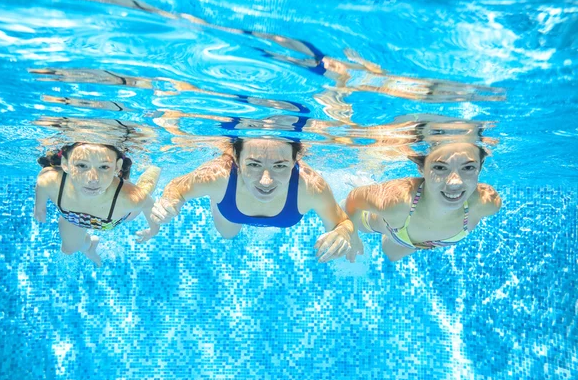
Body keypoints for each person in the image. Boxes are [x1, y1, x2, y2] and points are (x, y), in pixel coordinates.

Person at [150, 137, 362, 262]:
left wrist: (343, 232)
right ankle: (217, 199)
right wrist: (169, 203)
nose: (266, 181)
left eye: (279, 166)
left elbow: (342, 222)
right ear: (236, 159)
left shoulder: (310, 186)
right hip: (230, 209)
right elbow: (177, 187)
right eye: (253, 165)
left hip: (279, 213)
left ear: (295, 161)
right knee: (228, 234)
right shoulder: (217, 176)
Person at [344, 142, 501, 262]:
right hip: (383, 223)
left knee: (391, 255)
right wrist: (353, 236)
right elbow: (353, 199)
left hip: (407, 241)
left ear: (480, 168)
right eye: (440, 167)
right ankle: (363, 180)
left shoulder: (487, 203)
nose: (455, 183)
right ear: (421, 169)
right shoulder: (397, 202)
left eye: (468, 168)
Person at [34, 142, 161, 266]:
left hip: (118, 215)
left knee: (144, 190)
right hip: (73, 219)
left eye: (104, 167)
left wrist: (153, 230)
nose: (93, 179)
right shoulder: (49, 179)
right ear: (65, 164)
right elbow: (40, 196)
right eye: (82, 165)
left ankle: (154, 168)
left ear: (117, 167)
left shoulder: (128, 198)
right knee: (68, 250)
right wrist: (39, 208)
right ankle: (89, 247)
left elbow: (148, 204)